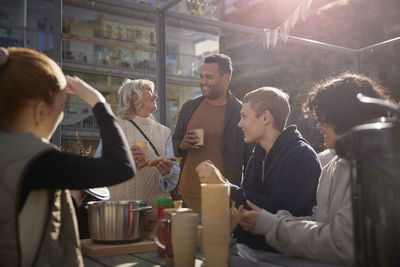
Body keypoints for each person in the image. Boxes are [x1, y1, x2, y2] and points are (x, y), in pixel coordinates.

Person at [0, 47, 135, 266]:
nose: (61, 116)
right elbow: (121, 166)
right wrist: (98, 102)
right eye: (61, 107)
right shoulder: (36, 160)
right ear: (41, 111)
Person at [239, 73, 391, 266]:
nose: (318, 127)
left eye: (323, 120)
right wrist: (270, 221)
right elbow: (319, 221)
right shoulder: (332, 167)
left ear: (345, 117)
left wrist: (271, 225)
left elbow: (342, 244)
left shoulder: (377, 171)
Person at [196, 87, 321, 251]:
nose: (239, 124)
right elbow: (246, 208)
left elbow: (276, 210)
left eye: (244, 116)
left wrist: (222, 187)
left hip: (285, 257)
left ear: (265, 117)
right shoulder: (257, 156)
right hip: (252, 251)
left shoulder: (302, 157)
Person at [172, 54, 252, 214]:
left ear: (226, 78)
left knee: (216, 239)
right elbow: (174, 144)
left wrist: (244, 198)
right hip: (186, 195)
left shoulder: (240, 111)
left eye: (209, 77)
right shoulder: (189, 107)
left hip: (221, 197)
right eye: (201, 76)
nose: (203, 81)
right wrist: (182, 144)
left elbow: (250, 159)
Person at [95, 79, 179, 213]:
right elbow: (97, 172)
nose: (155, 95)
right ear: (134, 97)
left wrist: (167, 172)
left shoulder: (164, 132)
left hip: (156, 213)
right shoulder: (114, 127)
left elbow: (172, 180)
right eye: (149, 91)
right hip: (121, 214)